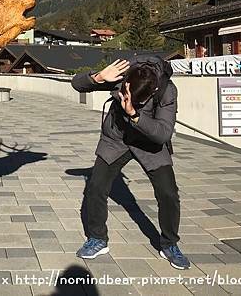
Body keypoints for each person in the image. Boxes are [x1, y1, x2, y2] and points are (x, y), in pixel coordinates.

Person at [71, 56, 190, 270]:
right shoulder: (124, 74)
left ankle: (170, 244)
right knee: (96, 187)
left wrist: (134, 115)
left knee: (169, 194)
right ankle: (97, 239)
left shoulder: (166, 90)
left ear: (152, 92)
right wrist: (98, 77)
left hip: (150, 144)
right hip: (117, 139)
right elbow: (76, 83)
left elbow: (163, 134)